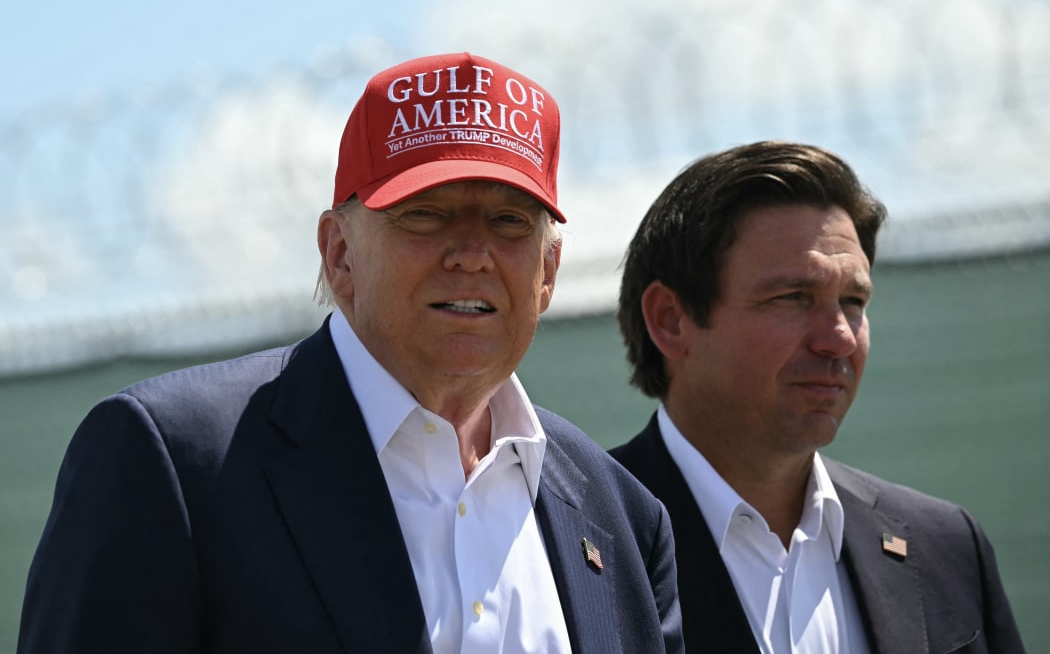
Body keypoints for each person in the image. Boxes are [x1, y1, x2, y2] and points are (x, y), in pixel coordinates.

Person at [19, 52, 683, 654]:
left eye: (509, 222)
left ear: (547, 273)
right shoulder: (175, 463)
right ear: (339, 253)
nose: (471, 254)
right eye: (426, 214)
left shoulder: (621, 514)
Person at [610, 141, 1026, 653]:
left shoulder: (944, 547)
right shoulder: (575, 542)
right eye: (793, 298)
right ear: (671, 320)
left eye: (853, 302)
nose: (840, 339)